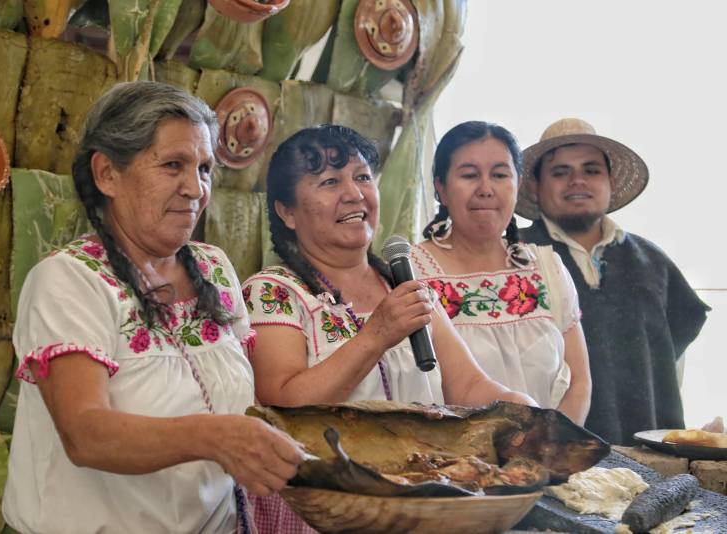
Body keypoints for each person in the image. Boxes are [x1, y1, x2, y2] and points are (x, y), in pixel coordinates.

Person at [2, 81, 304, 533]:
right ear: (107, 173)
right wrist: (213, 436)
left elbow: (251, 403)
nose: (195, 189)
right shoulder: (68, 281)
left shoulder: (214, 268)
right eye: (172, 165)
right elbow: (85, 434)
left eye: (204, 168)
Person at [241, 124, 536, 534]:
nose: (354, 193)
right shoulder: (273, 293)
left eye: (362, 177)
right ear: (286, 211)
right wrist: (375, 336)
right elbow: (285, 408)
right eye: (329, 181)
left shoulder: (407, 288)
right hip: (327, 515)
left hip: (424, 508)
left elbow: (466, 386)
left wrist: (521, 410)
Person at [517, 117, 710, 445]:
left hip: (649, 455)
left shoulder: (653, 261)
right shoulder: (515, 257)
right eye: (560, 172)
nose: (577, 181)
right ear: (535, 186)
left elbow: (672, 360)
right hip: (549, 454)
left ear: (610, 180)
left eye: (591, 170)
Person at [414, 121, 591, 425]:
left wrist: (551, 452)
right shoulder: (412, 272)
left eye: (499, 175)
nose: (485, 189)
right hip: (450, 462)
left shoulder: (547, 268)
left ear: (517, 184)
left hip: (548, 460)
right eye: (469, 175)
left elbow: (579, 382)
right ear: (441, 188)